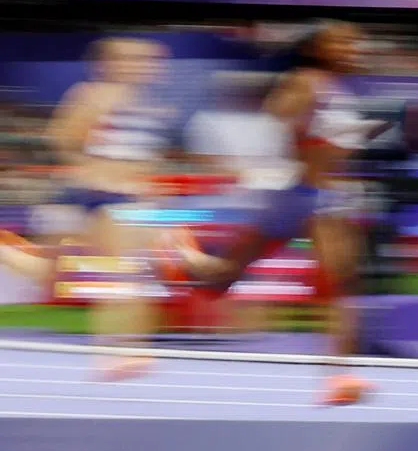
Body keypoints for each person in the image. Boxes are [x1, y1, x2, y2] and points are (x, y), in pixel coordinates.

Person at [166, 21, 391, 405]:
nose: (354, 50)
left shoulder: (337, 87)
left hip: (320, 195)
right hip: (302, 193)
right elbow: (278, 113)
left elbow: (332, 142)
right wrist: (312, 123)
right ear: (319, 48)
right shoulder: (307, 80)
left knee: (228, 278)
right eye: (344, 43)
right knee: (339, 285)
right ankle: (340, 376)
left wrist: (355, 133)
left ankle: (181, 255)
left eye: (356, 43)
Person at [0, 36, 173, 379]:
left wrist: (149, 186)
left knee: (57, 274)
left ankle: (126, 350)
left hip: (130, 200)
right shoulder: (93, 94)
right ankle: (121, 352)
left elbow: (139, 154)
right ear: (107, 63)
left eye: (146, 60)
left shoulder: (147, 103)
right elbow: (62, 139)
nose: (140, 66)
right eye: (129, 59)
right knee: (121, 276)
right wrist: (95, 172)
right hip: (101, 197)